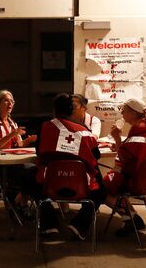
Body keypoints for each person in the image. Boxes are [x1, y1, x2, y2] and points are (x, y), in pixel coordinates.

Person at [36, 93, 106, 239]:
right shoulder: (84, 131)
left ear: (55, 110)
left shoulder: (45, 127)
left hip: (50, 184)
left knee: (30, 182)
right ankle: (79, 226)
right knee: (101, 191)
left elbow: (39, 152)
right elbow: (96, 155)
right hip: (79, 184)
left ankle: (49, 226)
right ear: (71, 110)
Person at [103, 98, 146, 236]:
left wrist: (117, 138)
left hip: (138, 181)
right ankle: (132, 217)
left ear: (134, 114)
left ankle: (130, 219)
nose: (122, 113)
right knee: (112, 182)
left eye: (124, 111)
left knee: (100, 188)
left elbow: (123, 159)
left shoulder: (138, 131)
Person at [0, 89, 37, 218]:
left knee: (36, 170)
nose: (10, 104)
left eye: (12, 101)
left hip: (14, 163)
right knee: (31, 172)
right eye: (6, 101)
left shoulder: (12, 123)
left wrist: (28, 141)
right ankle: (21, 202)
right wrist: (12, 134)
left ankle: (21, 201)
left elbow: (18, 145)